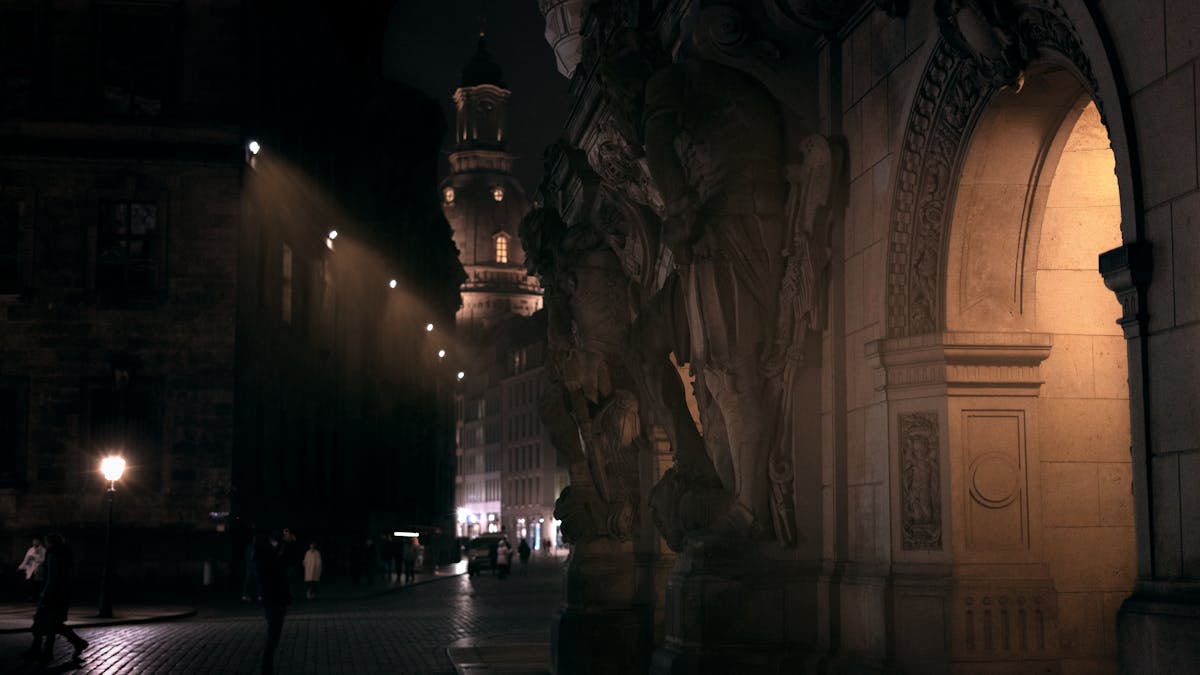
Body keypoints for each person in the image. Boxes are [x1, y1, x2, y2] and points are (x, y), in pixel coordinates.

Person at [21, 533, 87, 663]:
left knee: (45, 623)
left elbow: (52, 578)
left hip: (52, 595)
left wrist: (44, 595)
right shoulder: (65, 555)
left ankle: (45, 652)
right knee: (53, 624)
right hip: (62, 595)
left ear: (50, 542)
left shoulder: (52, 554)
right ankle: (47, 650)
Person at [255, 527, 301, 675]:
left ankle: (266, 667)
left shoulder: (268, 554)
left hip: (276, 598)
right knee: (273, 636)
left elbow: (288, 561)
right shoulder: (264, 555)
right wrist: (285, 542)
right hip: (273, 599)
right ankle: (265, 668)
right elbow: (280, 561)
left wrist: (289, 543)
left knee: (274, 636)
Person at [17, 536, 46, 601]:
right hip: (29, 569)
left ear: (39, 541)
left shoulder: (43, 550)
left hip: (38, 569)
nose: (34, 542)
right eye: (33, 541)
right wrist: (21, 567)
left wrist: (35, 558)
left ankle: (37, 597)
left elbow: (44, 560)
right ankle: (31, 597)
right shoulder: (30, 549)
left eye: (36, 541)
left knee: (37, 584)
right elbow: (26, 559)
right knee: (30, 584)